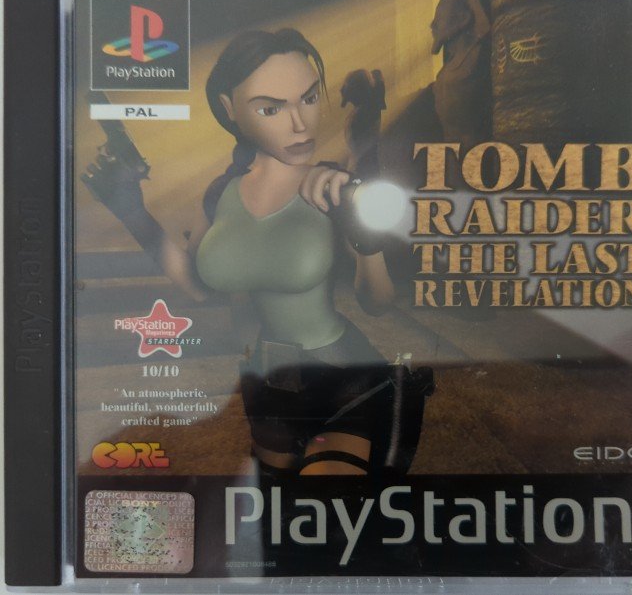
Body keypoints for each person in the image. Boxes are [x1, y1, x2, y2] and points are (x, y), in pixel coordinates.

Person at [83, 28, 431, 476]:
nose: (300, 123)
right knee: (279, 500)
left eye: (309, 98)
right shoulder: (222, 193)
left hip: (342, 372)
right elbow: (197, 288)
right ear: (229, 109)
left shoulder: (331, 186)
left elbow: (378, 301)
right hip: (268, 378)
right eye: (271, 108)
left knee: (330, 498)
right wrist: (133, 212)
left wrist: (364, 234)